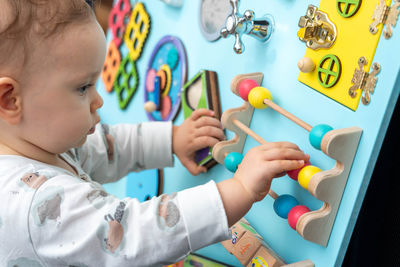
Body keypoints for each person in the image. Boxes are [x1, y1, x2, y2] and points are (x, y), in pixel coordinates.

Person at [0, 0, 309, 266]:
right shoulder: (33, 205)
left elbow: (105, 147)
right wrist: (239, 189)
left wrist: (171, 140)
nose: (99, 100)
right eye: (82, 87)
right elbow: (132, 235)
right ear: (10, 99)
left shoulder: (31, 138)